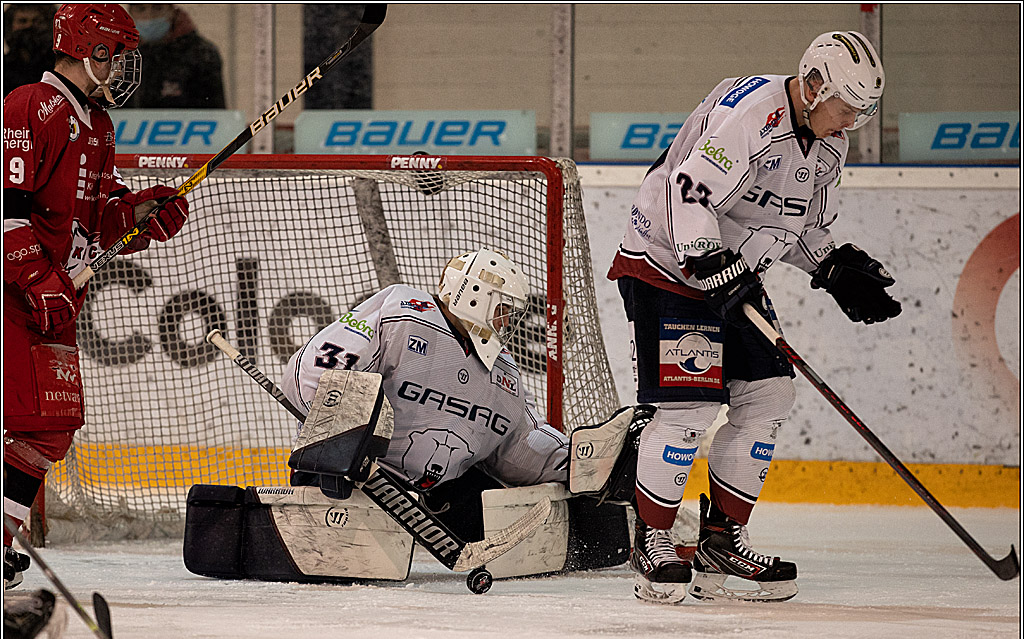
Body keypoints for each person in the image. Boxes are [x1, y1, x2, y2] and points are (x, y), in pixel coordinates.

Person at [607, 31, 901, 603]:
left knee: (768, 396)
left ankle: (722, 542)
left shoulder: (829, 144)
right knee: (687, 409)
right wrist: (705, 258)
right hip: (666, 267)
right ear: (814, 86)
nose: (850, 123)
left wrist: (832, 267)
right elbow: (686, 189)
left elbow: (800, 227)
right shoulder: (750, 114)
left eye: (861, 114)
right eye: (845, 107)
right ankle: (655, 545)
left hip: (732, 274)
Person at [3, 3, 190, 589]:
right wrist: (36, 280)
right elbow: (6, 212)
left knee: (49, 427)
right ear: (96, 51)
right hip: (17, 294)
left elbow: (96, 222)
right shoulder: (30, 105)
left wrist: (140, 213)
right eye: (121, 55)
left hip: (54, 300)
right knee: (30, 422)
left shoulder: (98, 124)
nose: (127, 68)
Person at [282, 249, 569, 520]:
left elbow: (518, 443)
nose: (507, 321)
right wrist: (341, 447)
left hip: (435, 497)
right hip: (350, 477)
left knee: (497, 515)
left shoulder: (502, 367)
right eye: (503, 309)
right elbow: (315, 372)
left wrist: (577, 462)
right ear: (475, 297)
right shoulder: (403, 313)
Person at [126, 4, 225, 108]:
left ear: (171, 11)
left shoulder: (200, 54)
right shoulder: (119, 54)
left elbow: (215, 113)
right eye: (140, 9)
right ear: (130, 14)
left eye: (158, 8)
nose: (149, 16)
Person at [3, 4, 59, 97]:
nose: (29, 26)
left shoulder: (58, 65)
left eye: (36, 21)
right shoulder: (4, 67)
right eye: (22, 21)